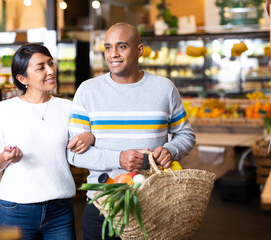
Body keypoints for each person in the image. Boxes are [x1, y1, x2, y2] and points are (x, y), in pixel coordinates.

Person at [67, 22, 196, 239]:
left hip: (154, 205)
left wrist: (170, 150)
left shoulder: (164, 88)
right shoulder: (87, 91)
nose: (113, 54)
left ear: (139, 50)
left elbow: (185, 134)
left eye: (121, 47)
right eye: (108, 47)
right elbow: (73, 153)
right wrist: (118, 158)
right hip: (102, 205)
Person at [0, 43, 94, 240]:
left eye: (51, 63)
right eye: (41, 67)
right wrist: (5, 157)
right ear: (22, 78)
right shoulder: (4, 110)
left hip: (60, 209)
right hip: (16, 210)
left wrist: (89, 136)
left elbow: (83, 145)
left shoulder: (68, 108)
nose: (50, 71)